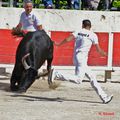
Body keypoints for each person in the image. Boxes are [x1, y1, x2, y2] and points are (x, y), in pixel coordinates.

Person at [49, 19, 113, 104]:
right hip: (82, 59)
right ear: (90, 26)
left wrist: (58, 44)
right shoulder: (93, 35)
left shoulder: (78, 31)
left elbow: (68, 39)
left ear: (83, 25)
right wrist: (104, 53)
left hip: (76, 57)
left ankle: (104, 97)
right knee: (78, 80)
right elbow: (98, 49)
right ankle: (57, 74)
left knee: (92, 77)